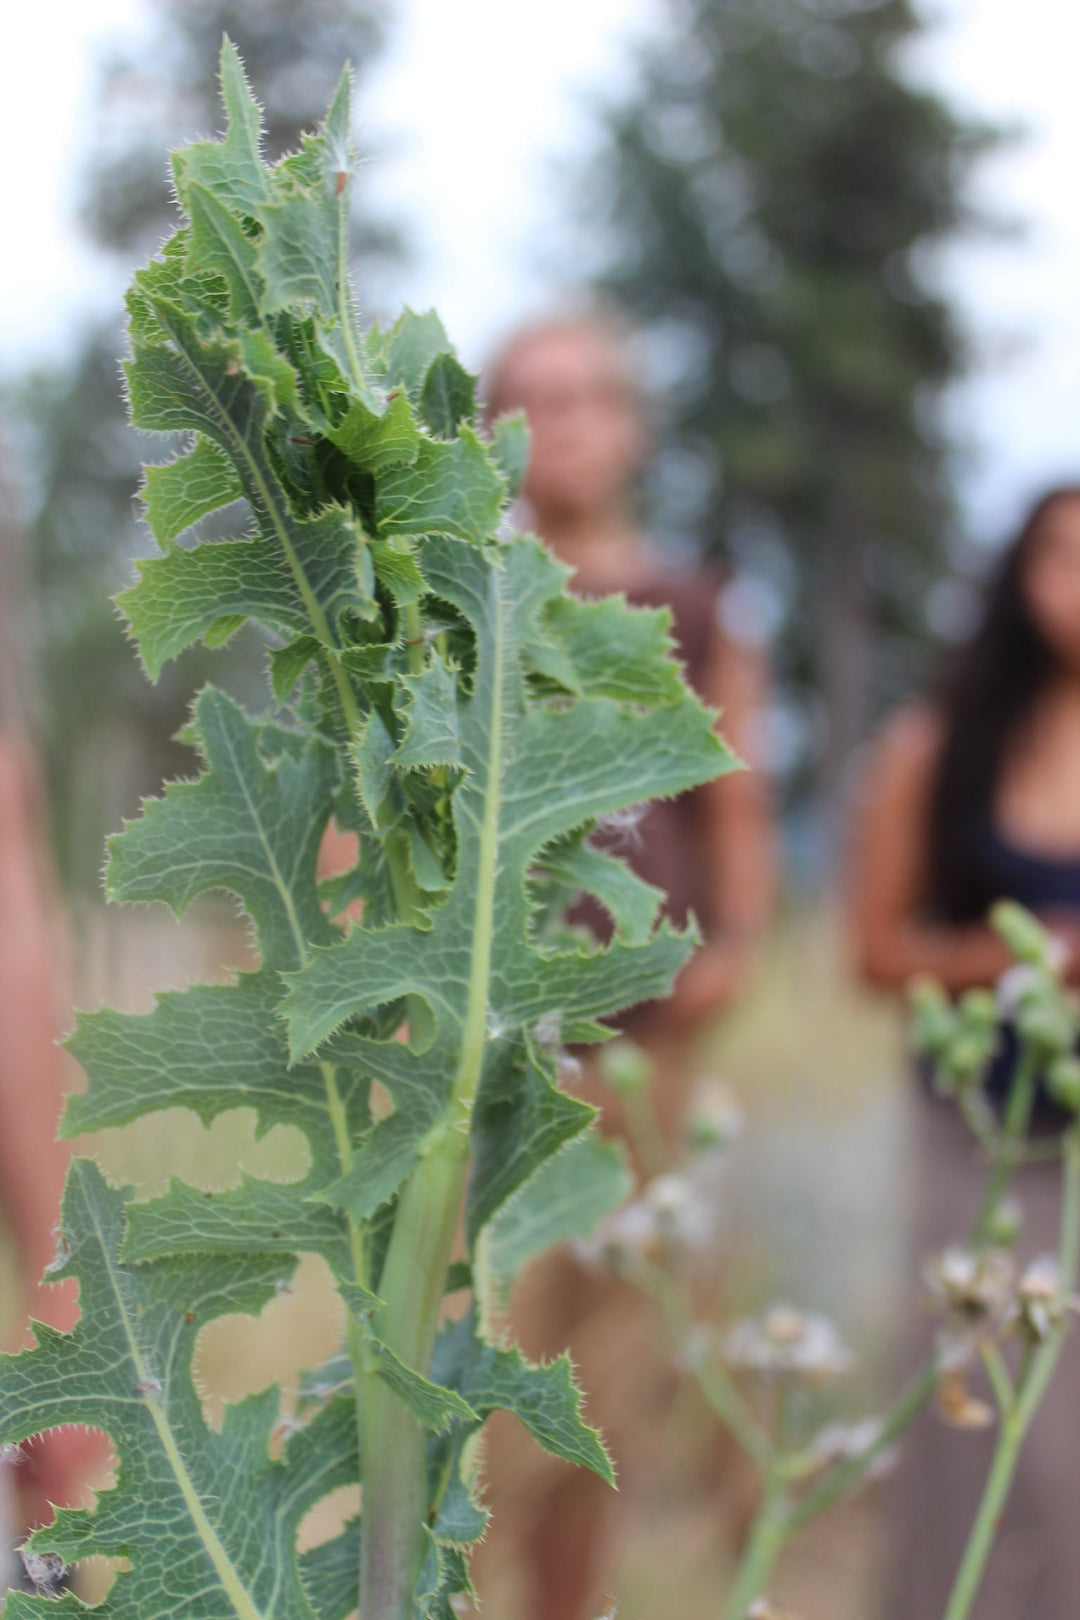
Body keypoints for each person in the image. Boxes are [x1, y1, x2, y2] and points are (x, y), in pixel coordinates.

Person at [472, 312, 776, 1620]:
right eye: (533, 401)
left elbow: (734, 800)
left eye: (590, 397)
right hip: (496, 1068)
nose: (567, 425)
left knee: (607, 1380)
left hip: (645, 1058)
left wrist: (744, 947)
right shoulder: (466, 595)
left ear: (634, 423)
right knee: (489, 1370)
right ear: (492, 429)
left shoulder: (696, 608)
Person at [849, 485, 1080, 1619]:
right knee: (978, 1428)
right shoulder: (935, 748)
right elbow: (875, 952)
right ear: (1020, 577)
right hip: (979, 1143)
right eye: (1065, 558)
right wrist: (1036, 963)